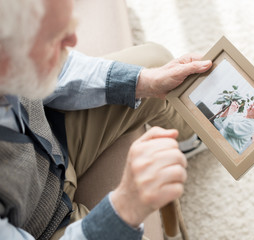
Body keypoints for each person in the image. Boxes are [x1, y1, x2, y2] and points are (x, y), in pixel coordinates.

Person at [0, 0, 212, 239]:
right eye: (53, 39)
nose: (72, 42)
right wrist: (125, 207)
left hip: (54, 141)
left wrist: (144, 82)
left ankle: (190, 139)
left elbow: (62, 69)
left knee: (155, 60)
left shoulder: (15, 53)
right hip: (45, 226)